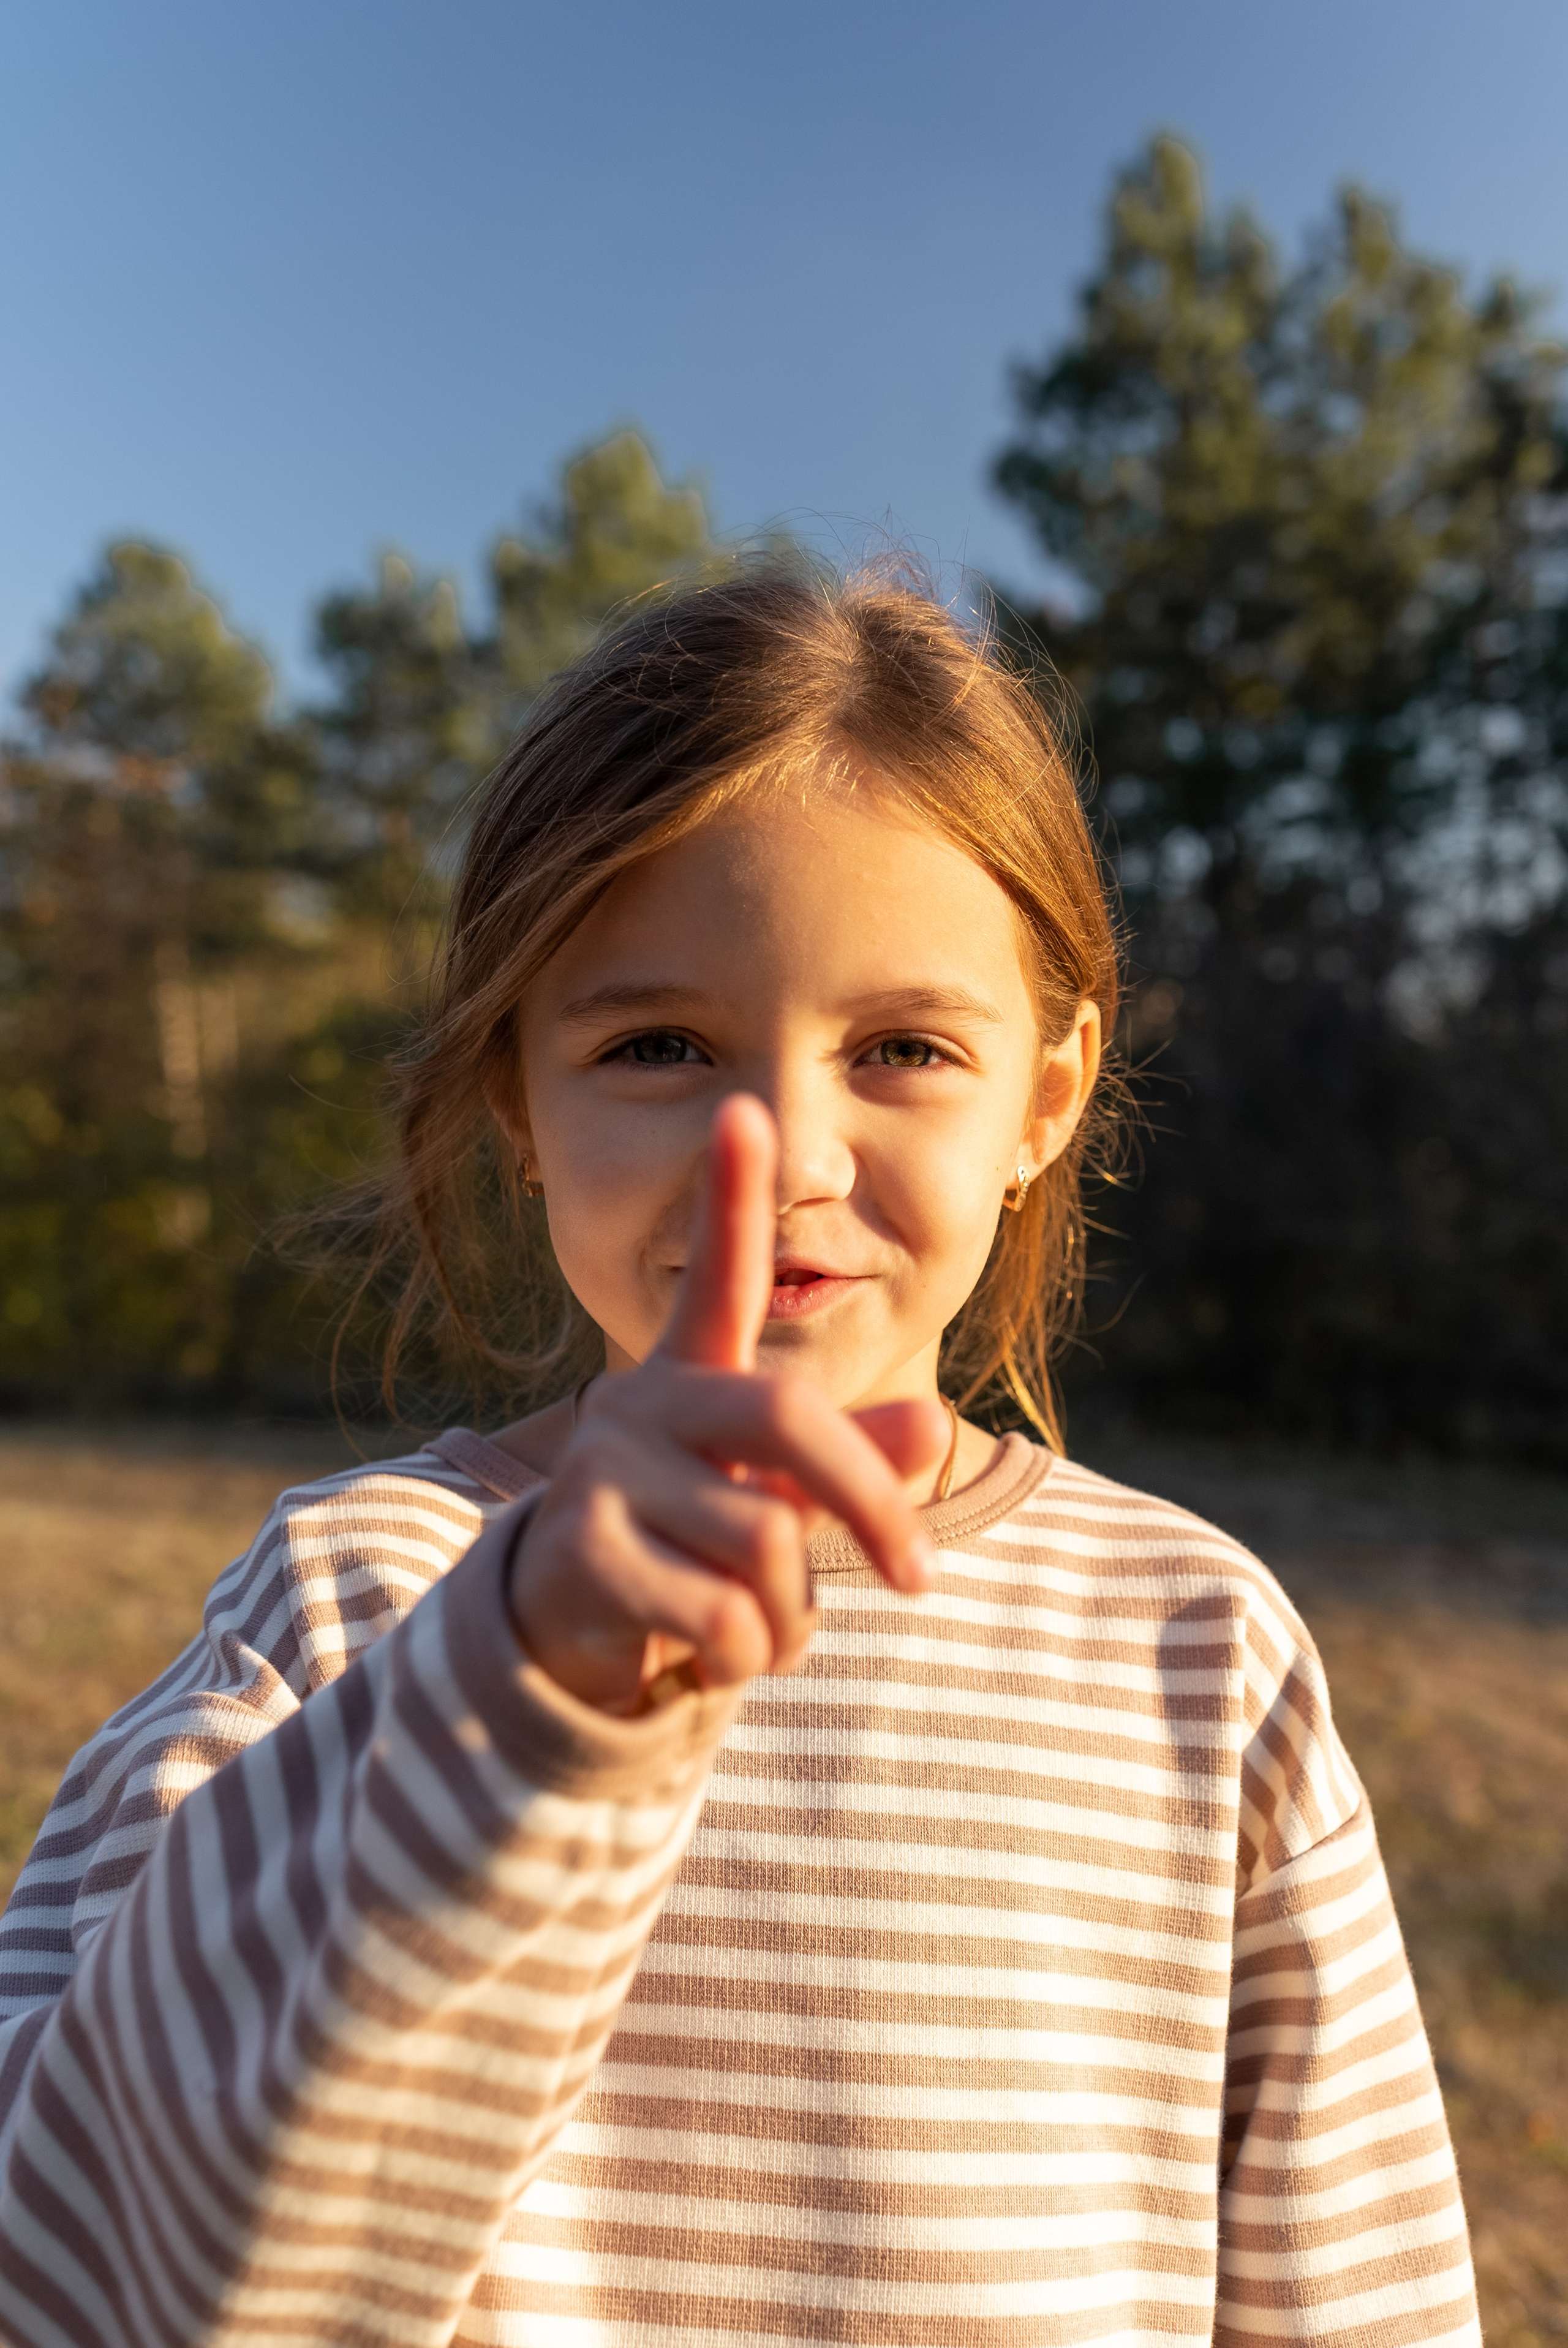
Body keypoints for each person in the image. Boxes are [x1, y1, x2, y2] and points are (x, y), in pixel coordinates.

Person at [0, 568, 1478, 2347]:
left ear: (1048, 1097)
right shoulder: (355, 1598)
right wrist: (519, 1689)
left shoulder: (1200, 1648)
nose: (772, 1157)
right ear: (517, 1106)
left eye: (905, 1048)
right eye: (659, 1046)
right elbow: (77, 2265)